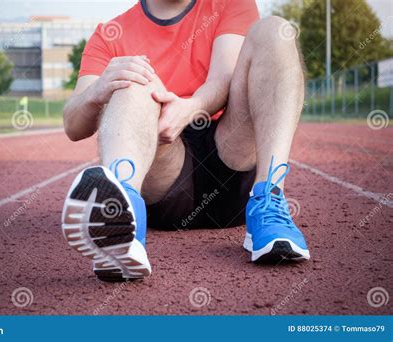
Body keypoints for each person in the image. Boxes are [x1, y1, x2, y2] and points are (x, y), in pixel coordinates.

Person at [62, 0, 310, 282]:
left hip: (231, 156)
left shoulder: (231, 3)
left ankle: (269, 198)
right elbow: (72, 125)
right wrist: (99, 88)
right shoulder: (110, 34)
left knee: (275, 30)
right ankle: (123, 219)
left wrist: (189, 108)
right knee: (131, 78)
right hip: (165, 176)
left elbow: (224, 77)